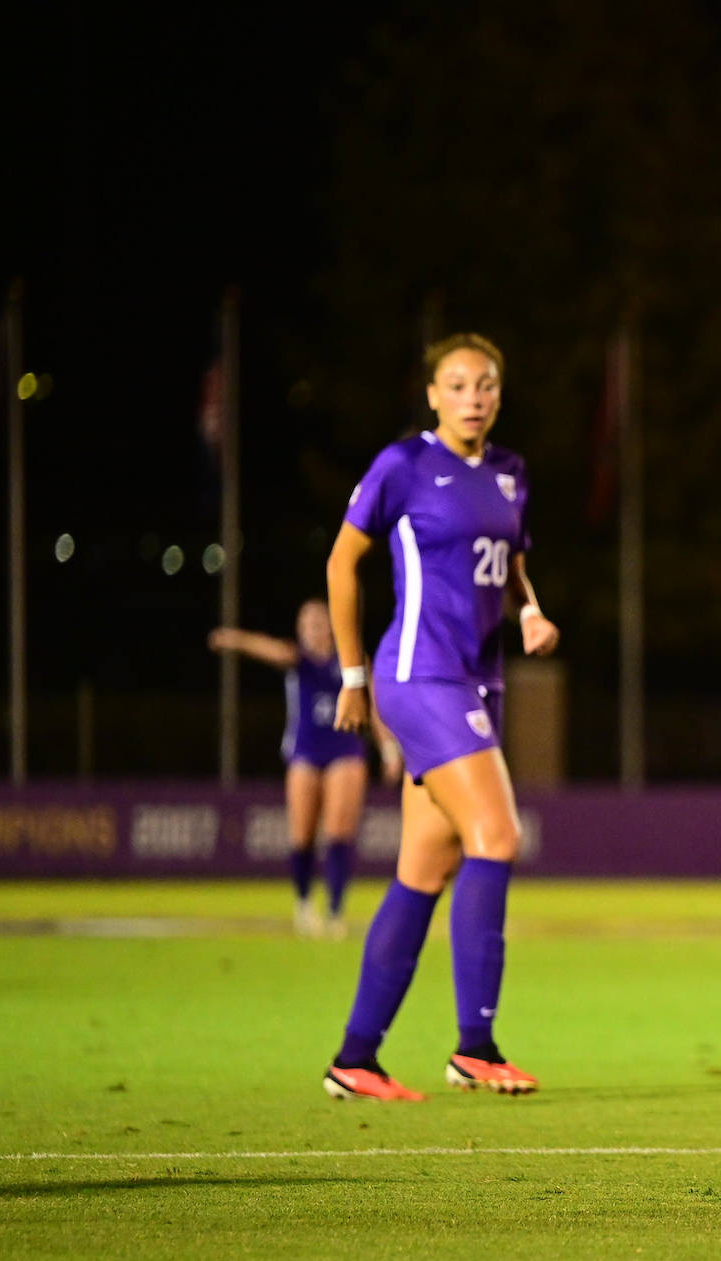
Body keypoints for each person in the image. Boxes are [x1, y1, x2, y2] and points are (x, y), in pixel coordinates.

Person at [320, 333, 560, 1103]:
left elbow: (512, 567)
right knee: (499, 834)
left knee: (424, 868)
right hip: (420, 674)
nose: (473, 396)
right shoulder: (404, 466)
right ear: (431, 394)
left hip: (477, 680)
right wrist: (354, 674)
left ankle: (356, 1058)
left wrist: (531, 612)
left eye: (485, 384)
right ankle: (476, 1047)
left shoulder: (511, 473)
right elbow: (341, 562)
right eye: (457, 384)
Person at [208, 601, 402, 935]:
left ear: (331, 625)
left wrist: (388, 749)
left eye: (319, 621)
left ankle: (335, 911)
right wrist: (234, 639)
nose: (313, 628)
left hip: (346, 748)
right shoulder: (296, 659)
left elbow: (374, 708)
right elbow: (266, 648)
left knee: (339, 832)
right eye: (307, 623)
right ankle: (303, 903)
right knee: (302, 836)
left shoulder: (352, 660)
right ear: (300, 630)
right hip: (305, 752)